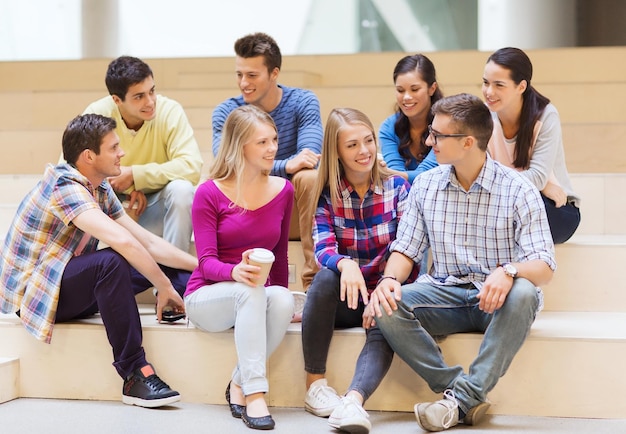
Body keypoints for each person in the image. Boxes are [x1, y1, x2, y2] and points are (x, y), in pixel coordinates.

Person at [371, 93, 556, 432]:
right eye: (431, 132)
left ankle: (458, 401)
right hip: (445, 295)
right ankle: (463, 394)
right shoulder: (426, 185)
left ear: (469, 141)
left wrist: (508, 271)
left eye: (438, 136)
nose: (429, 141)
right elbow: (405, 249)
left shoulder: (519, 190)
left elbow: (544, 265)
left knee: (525, 293)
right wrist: (388, 280)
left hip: (499, 302)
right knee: (387, 303)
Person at [0, 114, 198, 408]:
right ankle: (134, 374)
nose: (122, 153)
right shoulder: (63, 186)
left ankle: (199, 299)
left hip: (65, 282)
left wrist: (210, 270)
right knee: (112, 262)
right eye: (114, 147)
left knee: (157, 262)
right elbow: (123, 242)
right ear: (89, 156)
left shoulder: (100, 187)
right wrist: (164, 286)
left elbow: (148, 242)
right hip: (38, 295)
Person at [302, 108, 417, 434]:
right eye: (352, 145)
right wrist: (346, 263)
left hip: (388, 292)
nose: (364, 151)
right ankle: (315, 386)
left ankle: (354, 402)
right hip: (348, 296)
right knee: (324, 280)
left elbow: (410, 248)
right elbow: (323, 247)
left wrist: (382, 288)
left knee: (389, 312)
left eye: (368, 141)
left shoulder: (397, 188)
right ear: (336, 151)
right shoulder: (327, 194)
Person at [185, 105, 295, 430]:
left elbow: (281, 255)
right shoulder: (208, 193)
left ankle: (238, 383)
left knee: (284, 300)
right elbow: (205, 264)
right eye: (262, 142)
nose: (272, 148)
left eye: (273, 140)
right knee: (250, 293)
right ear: (239, 145)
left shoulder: (283, 190)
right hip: (206, 297)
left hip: (252, 293)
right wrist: (234, 272)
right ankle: (256, 392)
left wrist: (281, 300)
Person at [212, 32, 323, 292]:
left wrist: (280, 167)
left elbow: (308, 159)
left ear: (274, 73)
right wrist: (285, 166)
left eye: (252, 75)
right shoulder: (226, 112)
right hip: (241, 205)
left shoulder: (303, 102)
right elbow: (228, 164)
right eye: (239, 74)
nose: (243, 83)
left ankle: (313, 285)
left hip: (287, 208)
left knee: (309, 177)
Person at [83, 55, 203, 255]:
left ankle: (175, 279)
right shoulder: (97, 113)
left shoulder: (169, 110)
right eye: (139, 96)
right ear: (117, 100)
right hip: (112, 215)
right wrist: (124, 193)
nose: (150, 102)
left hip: (154, 212)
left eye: (152, 91)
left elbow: (191, 167)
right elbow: (71, 175)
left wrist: (135, 176)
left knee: (182, 190)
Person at [483, 47, 581, 244]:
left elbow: (536, 176)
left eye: (499, 85)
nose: (489, 92)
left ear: (521, 87)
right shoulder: (482, 118)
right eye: (486, 83)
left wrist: (540, 184)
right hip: (504, 204)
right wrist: (542, 185)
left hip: (554, 208)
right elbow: (480, 175)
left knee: (512, 211)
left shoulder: (545, 115)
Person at [379, 54, 443, 185]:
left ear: (432, 89)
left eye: (415, 89)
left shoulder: (447, 125)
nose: (406, 97)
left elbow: (428, 174)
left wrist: (382, 172)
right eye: (400, 90)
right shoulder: (388, 127)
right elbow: (395, 179)